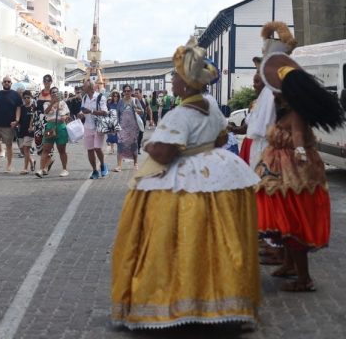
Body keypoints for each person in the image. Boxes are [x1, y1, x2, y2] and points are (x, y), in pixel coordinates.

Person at [111, 38, 261, 329]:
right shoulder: (211, 107)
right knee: (217, 240)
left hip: (185, 181)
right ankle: (221, 298)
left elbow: (165, 153)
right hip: (216, 174)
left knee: (175, 239)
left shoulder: (180, 113)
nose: (172, 82)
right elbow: (220, 138)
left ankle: (175, 301)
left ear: (188, 82)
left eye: (176, 76)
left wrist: (151, 146)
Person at [255, 52, 345, 292]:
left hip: (293, 176)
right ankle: (288, 264)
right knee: (281, 221)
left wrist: (299, 152)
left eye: (276, 89)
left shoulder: (296, 114)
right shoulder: (285, 110)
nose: (271, 92)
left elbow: (297, 137)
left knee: (291, 222)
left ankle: (304, 278)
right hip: (279, 174)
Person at [0, 76, 22, 172]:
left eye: (8, 81)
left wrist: (17, 120)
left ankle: (9, 164)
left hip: (9, 125)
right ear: (2, 83)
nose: (7, 83)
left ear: (11, 84)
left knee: (8, 145)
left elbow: (18, 108)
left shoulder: (16, 95)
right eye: (5, 81)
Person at [36, 86, 70, 177]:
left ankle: (65, 169)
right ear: (50, 94)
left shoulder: (63, 103)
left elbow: (67, 115)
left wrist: (65, 117)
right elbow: (46, 112)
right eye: (53, 92)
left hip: (61, 127)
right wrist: (52, 103)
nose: (55, 93)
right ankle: (41, 169)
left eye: (56, 92)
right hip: (50, 127)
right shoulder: (46, 103)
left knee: (62, 149)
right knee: (46, 148)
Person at [79, 80, 109, 179]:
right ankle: (94, 170)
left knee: (97, 148)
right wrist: (81, 114)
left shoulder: (100, 97)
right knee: (90, 150)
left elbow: (105, 112)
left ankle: (103, 165)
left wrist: (91, 111)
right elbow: (83, 110)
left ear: (91, 88)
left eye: (84, 86)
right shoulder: (84, 97)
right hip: (87, 127)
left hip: (98, 127)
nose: (83, 88)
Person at [114, 85, 142, 172]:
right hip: (122, 128)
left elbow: (142, 111)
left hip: (133, 128)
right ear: (123, 92)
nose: (127, 92)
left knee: (134, 145)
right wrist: (116, 126)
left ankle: (135, 164)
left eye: (129, 91)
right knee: (120, 145)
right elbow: (117, 114)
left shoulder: (135, 100)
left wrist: (137, 110)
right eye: (125, 91)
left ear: (131, 91)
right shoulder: (120, 102)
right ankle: (119, 166)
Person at [16, 90, 37, 174]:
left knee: (26, 148)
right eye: (24, 98)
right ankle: (32, 161)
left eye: (28, 97)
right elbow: (18, 117)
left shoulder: (33, 107)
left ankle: (25, 168)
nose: (26, 99)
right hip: (21, 130)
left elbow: (33, 117)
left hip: (29, 130)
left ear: (31, 97)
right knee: (22, 149)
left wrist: (31, 126)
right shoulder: (21, 107)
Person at [133, 88, 150, 153]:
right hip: (134, 120)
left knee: (140, 134)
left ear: (141, 93)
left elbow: (149, 109)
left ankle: (138, 147)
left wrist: (151, 119)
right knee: (134, 134)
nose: (135, 94)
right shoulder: (133, 100)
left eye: (137, 93)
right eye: (135, 93)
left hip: (142, 120)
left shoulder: (144, 100)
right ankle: (135, 148)